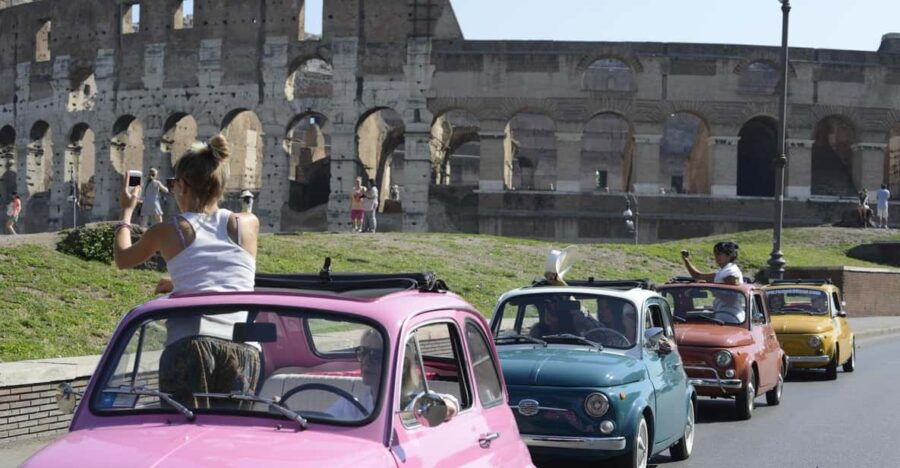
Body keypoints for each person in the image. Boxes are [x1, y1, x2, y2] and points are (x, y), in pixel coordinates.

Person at [113, 135, 261, 408]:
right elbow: (230, 271)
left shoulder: (170, 230)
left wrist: (126, 213)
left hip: (191, 344)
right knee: (228, 439)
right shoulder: (249, 224)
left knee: (182, 436)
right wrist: (180, 281)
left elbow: (123, 258)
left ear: (181, 185)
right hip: (245, 348)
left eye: (172, 184)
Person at [326, 330, 459, 421]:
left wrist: (432, 409)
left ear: (402, 365)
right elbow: (327, 420)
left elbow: (451, 405)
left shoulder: (414, 403)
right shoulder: (355, 403)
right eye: (363, 352)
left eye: (375, 355)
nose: (366, 362)